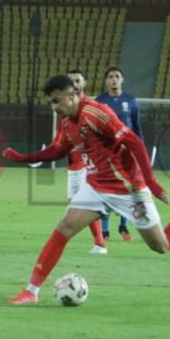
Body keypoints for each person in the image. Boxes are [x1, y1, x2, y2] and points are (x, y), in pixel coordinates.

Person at [2, 74, 170, 305]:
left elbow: (134, 142)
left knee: (162, 245)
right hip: (96, 185)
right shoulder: (67, 121)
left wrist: (151, 182)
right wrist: (23, 158)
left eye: (57, 101)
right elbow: (58, 150)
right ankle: (31, 291)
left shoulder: (95, 113)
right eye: (51, 102)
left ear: (72, 95)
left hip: (127, 189)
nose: (53, 107)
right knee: (64, 227)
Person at [94, 65, 144, 242]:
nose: (114, 79)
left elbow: (137, 126)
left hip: (127, 151)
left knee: (128, 189)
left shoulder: (131, 100)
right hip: (106, 153)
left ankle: (124, 227)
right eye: (110, 77)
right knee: (106, 189)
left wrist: (140, 149)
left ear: (122, 80)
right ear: (106, 81)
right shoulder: (99, 101)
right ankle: (105, 231)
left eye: (117, 76)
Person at [63, 69, 107, 255]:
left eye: (77, 80)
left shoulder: (91, 107)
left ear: (84, 83)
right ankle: (99, 243)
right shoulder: (64, 108)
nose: (74, 84)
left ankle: (100, 244)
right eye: (70, 81)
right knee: (75, 202)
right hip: (73, 165)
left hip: (87, 165)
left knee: (83, 204)